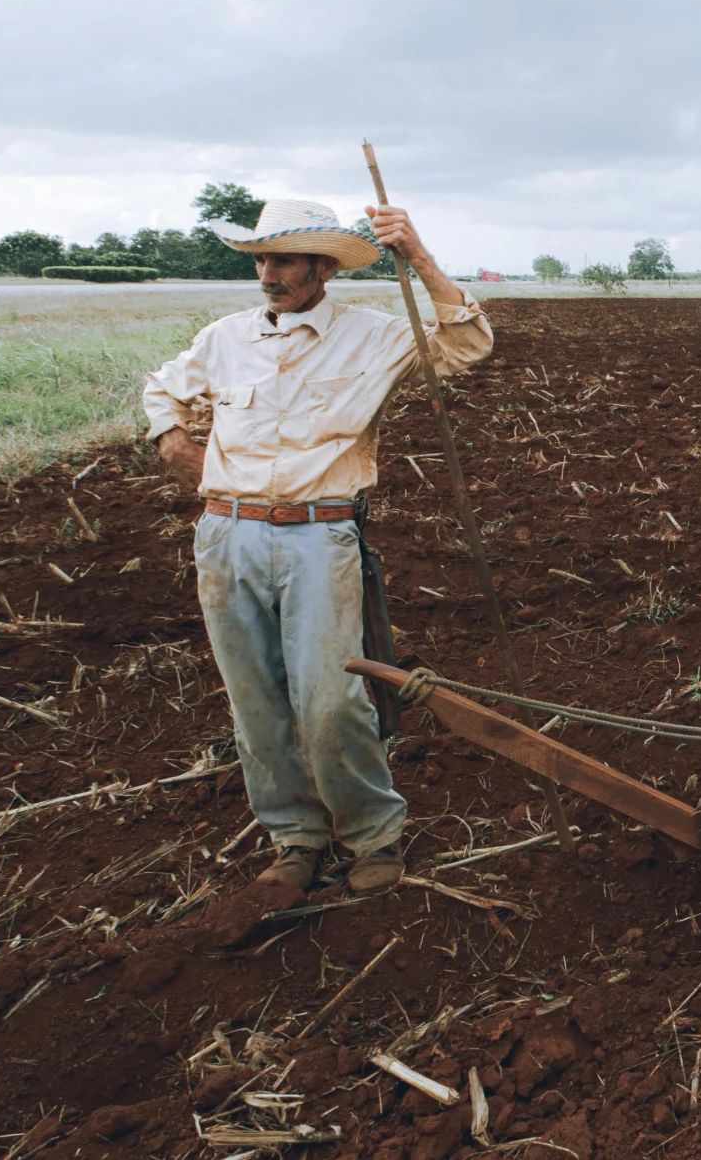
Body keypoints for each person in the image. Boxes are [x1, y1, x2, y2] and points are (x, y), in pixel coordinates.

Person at [140, 198, 492, 894]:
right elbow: (163, 386)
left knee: (331, 696)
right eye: (262, 259)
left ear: (323, 268)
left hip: (318, 533)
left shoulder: (375, 335)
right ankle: (295, 836)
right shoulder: (224, 337)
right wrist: (170, 437)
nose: (268, 273)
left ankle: (371, 833)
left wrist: (417, 255)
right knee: (256, 698)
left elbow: (468, 345)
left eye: (285, 260)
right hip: (225, 534)